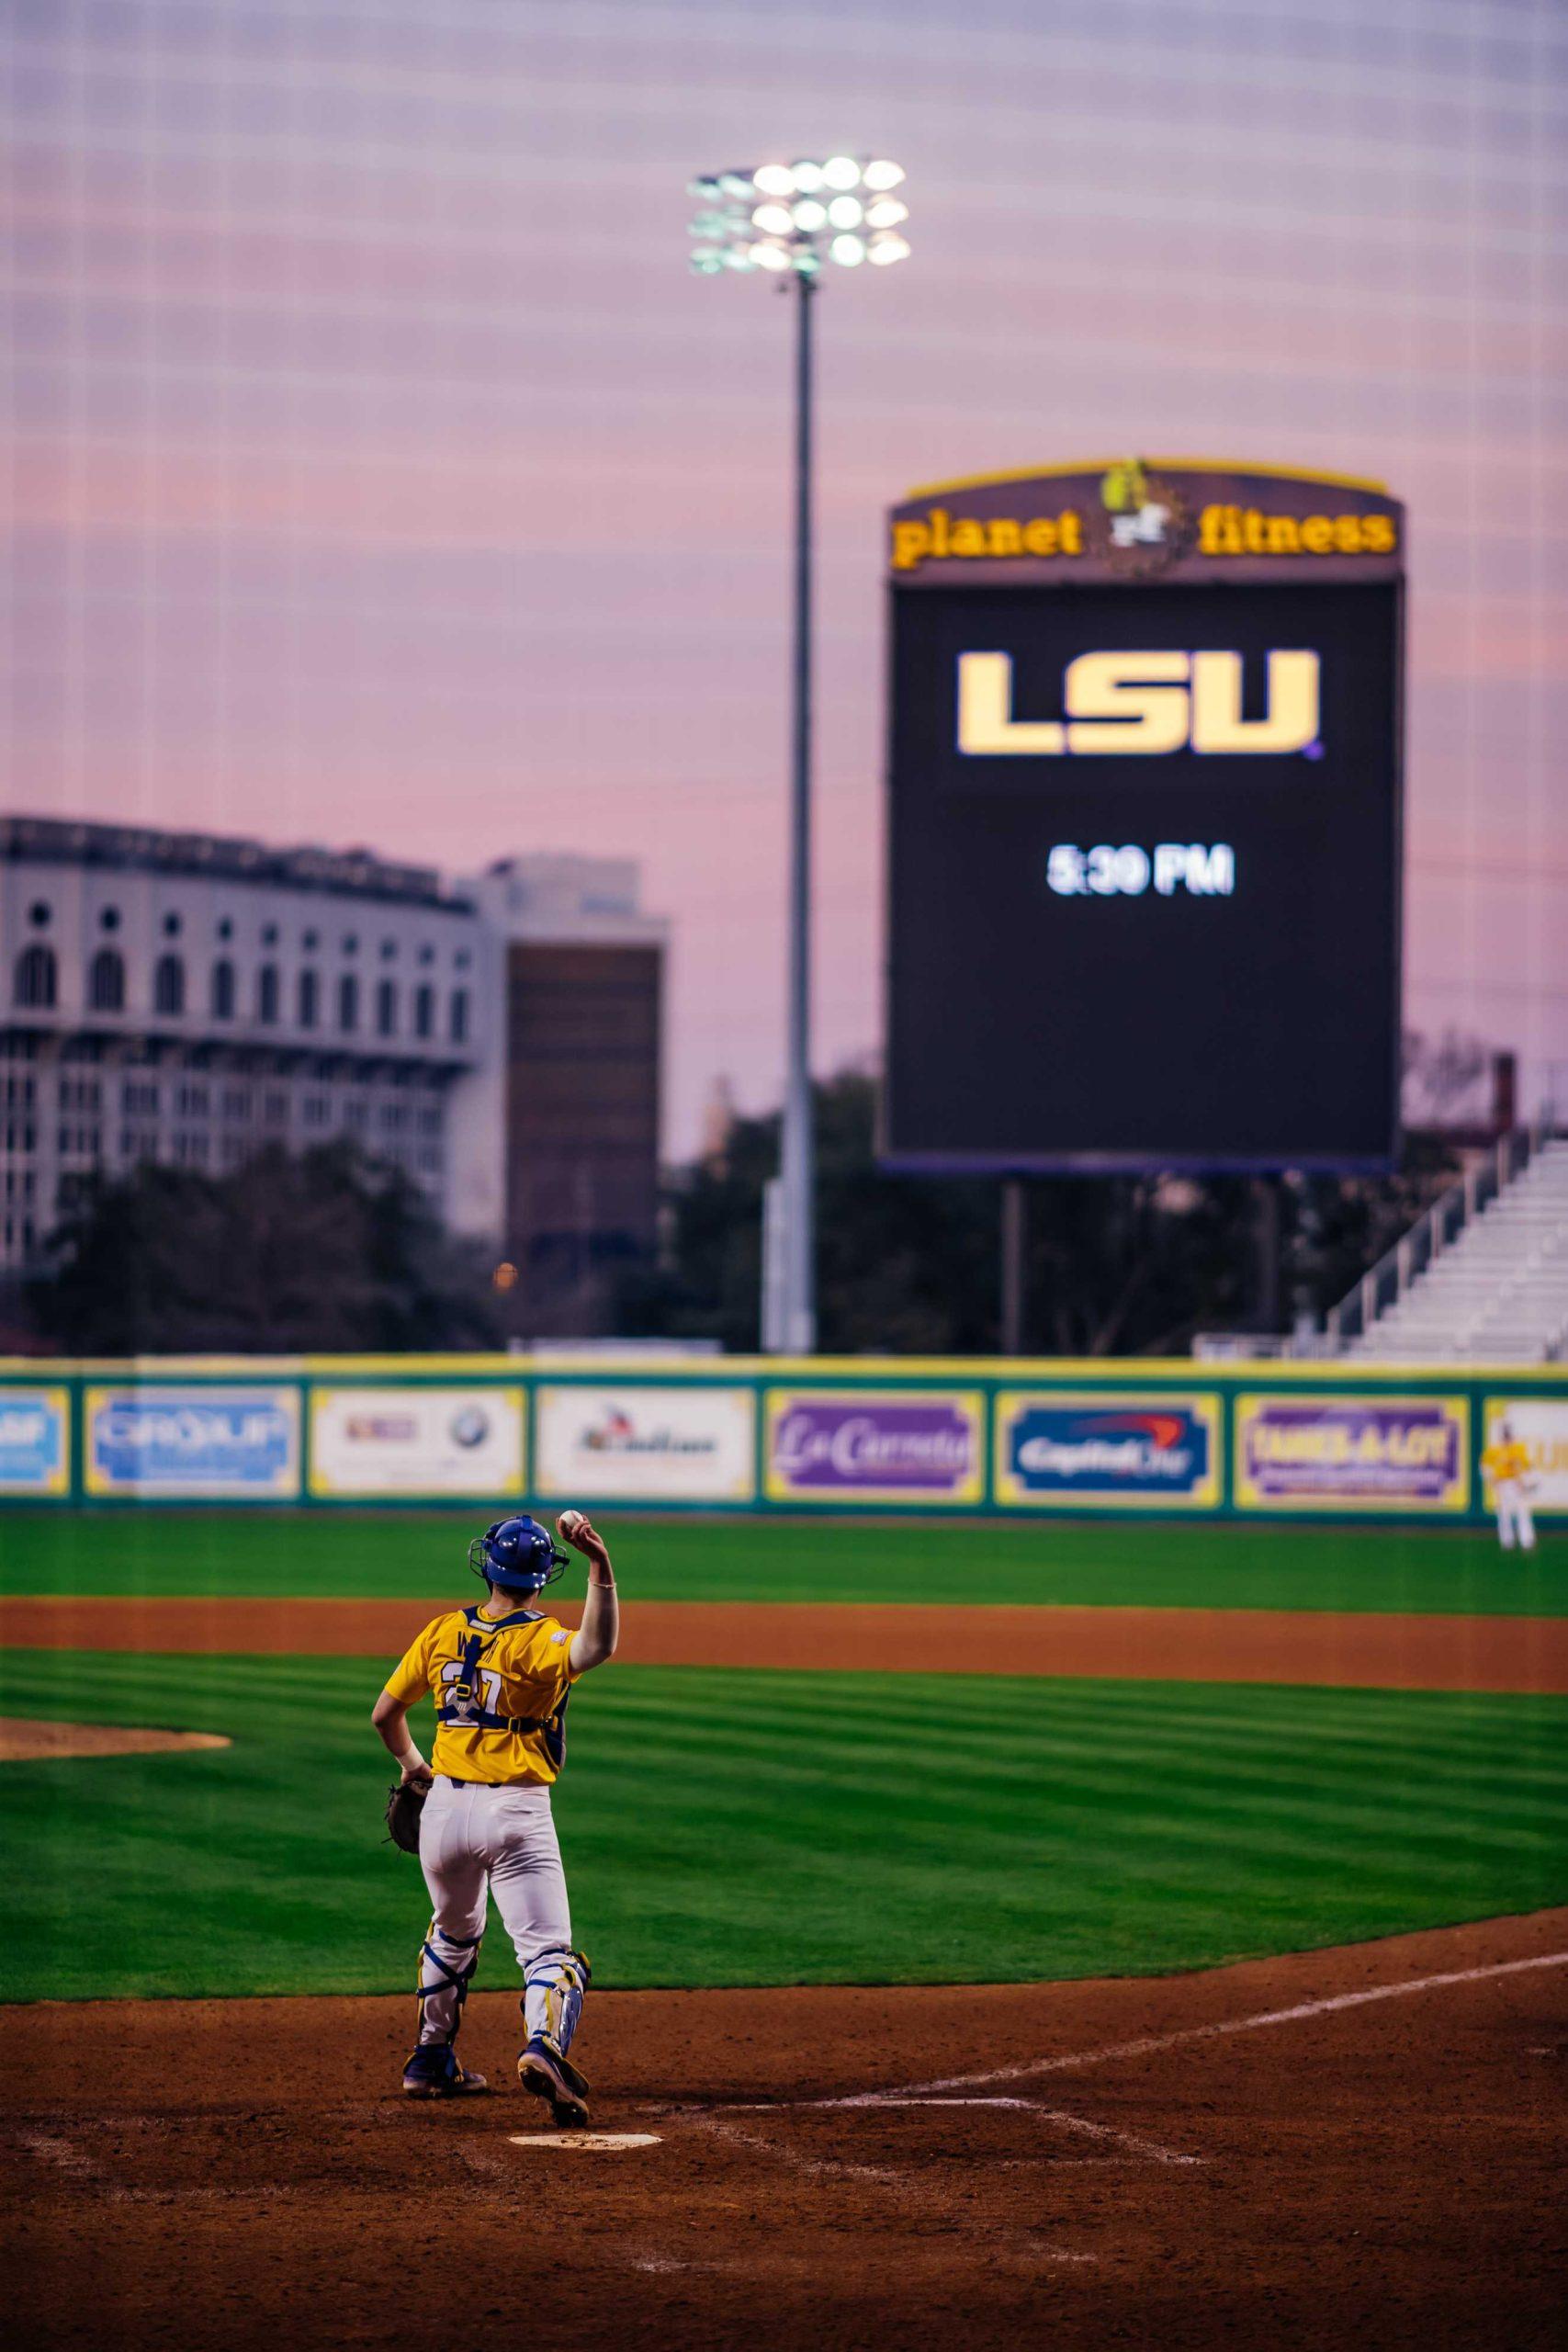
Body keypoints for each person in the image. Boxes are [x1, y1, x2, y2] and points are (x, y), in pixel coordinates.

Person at [371, 1509, 618, 2119]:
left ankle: (429, 2061)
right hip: (515, 1812)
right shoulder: (538, 1637)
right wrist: (601, 1567)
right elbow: (596, 1647)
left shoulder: (441, 1631)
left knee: (452, 1934)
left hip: (444, 1812)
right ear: (540, 1578)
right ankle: (542, 2046)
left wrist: (413, 1767)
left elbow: (384, 1715)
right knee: (547, 1953)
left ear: (488, 1567)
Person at [1480, 1420, 1538, 1554]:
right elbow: (1484, 1467)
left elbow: (1528, 1466)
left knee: (1523, 1512)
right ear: (1501, 1435)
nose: (1507, 1437)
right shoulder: (1494, 1450)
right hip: (1503, 1484)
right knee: (1504, 1514)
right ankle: (1507, 1542)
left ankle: (1527, 1541)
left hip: (1517, 1483)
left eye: (1509, 1434)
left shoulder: (1519, 1448)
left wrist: (1525, 1481)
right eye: (1505, 1434)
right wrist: (1492, 1480)